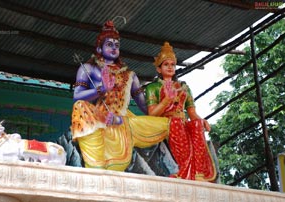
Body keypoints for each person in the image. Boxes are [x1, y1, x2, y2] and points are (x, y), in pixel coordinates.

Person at [70, 20, 169, 171]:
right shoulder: (89, 69)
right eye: (109, 44)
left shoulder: (130, 75)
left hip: (123, 120)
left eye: (117, 45)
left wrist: (167, 102)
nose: (114, 48)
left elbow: (146, 109)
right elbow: (77, 96)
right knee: (79, 106)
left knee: (171, 124)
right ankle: (95, 164)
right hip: (99, 117)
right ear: (99, 48)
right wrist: (101, 89)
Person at [145, 42, 217, 182]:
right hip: (165, 121)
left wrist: (201, 121)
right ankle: (185, 171)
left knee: (196, 125)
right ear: (159, 69)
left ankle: (199, 173)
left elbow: (192, 113)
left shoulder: (184, 87)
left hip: (182, 121)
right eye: (166, 64)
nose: (170, 67)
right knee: (176, 123)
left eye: (173, 64)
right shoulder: (152, 88)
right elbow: (152, 114)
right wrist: (166, 101)